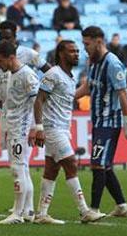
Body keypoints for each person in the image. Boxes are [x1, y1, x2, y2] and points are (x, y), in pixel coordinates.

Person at [31, 40, 107, 224]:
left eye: (77, 51)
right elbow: (39, 100)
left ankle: (42, 214)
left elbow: (66, 98)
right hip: (52, 128)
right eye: (72, 51)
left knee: (51, 169)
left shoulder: (70, 77)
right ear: (61, 54)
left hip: (63, 128)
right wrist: (39, 128)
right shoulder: (53, 74)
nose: (76, 54)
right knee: (71, 163)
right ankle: (84, 211)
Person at [75, 26, 127, 216]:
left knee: (97, 163)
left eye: (87, 44)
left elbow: (123, 93)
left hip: (110, 122)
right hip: (99, 121)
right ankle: (122, 206)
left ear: (98, 41)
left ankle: (93, 209)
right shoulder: (93, 62)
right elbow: (87, 87)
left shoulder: (113, 63)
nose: (84, 48)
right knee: (105, 165)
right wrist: (66, 98)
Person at [0, 40, 39, 224]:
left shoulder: (27, 75)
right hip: (13, 126)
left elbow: (38, 102)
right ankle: (28, 210)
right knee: (23, 168)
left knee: (17, 168)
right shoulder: (13, 73)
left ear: (11, 58)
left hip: (21, 128)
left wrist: (36, 127)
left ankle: (17, 214)